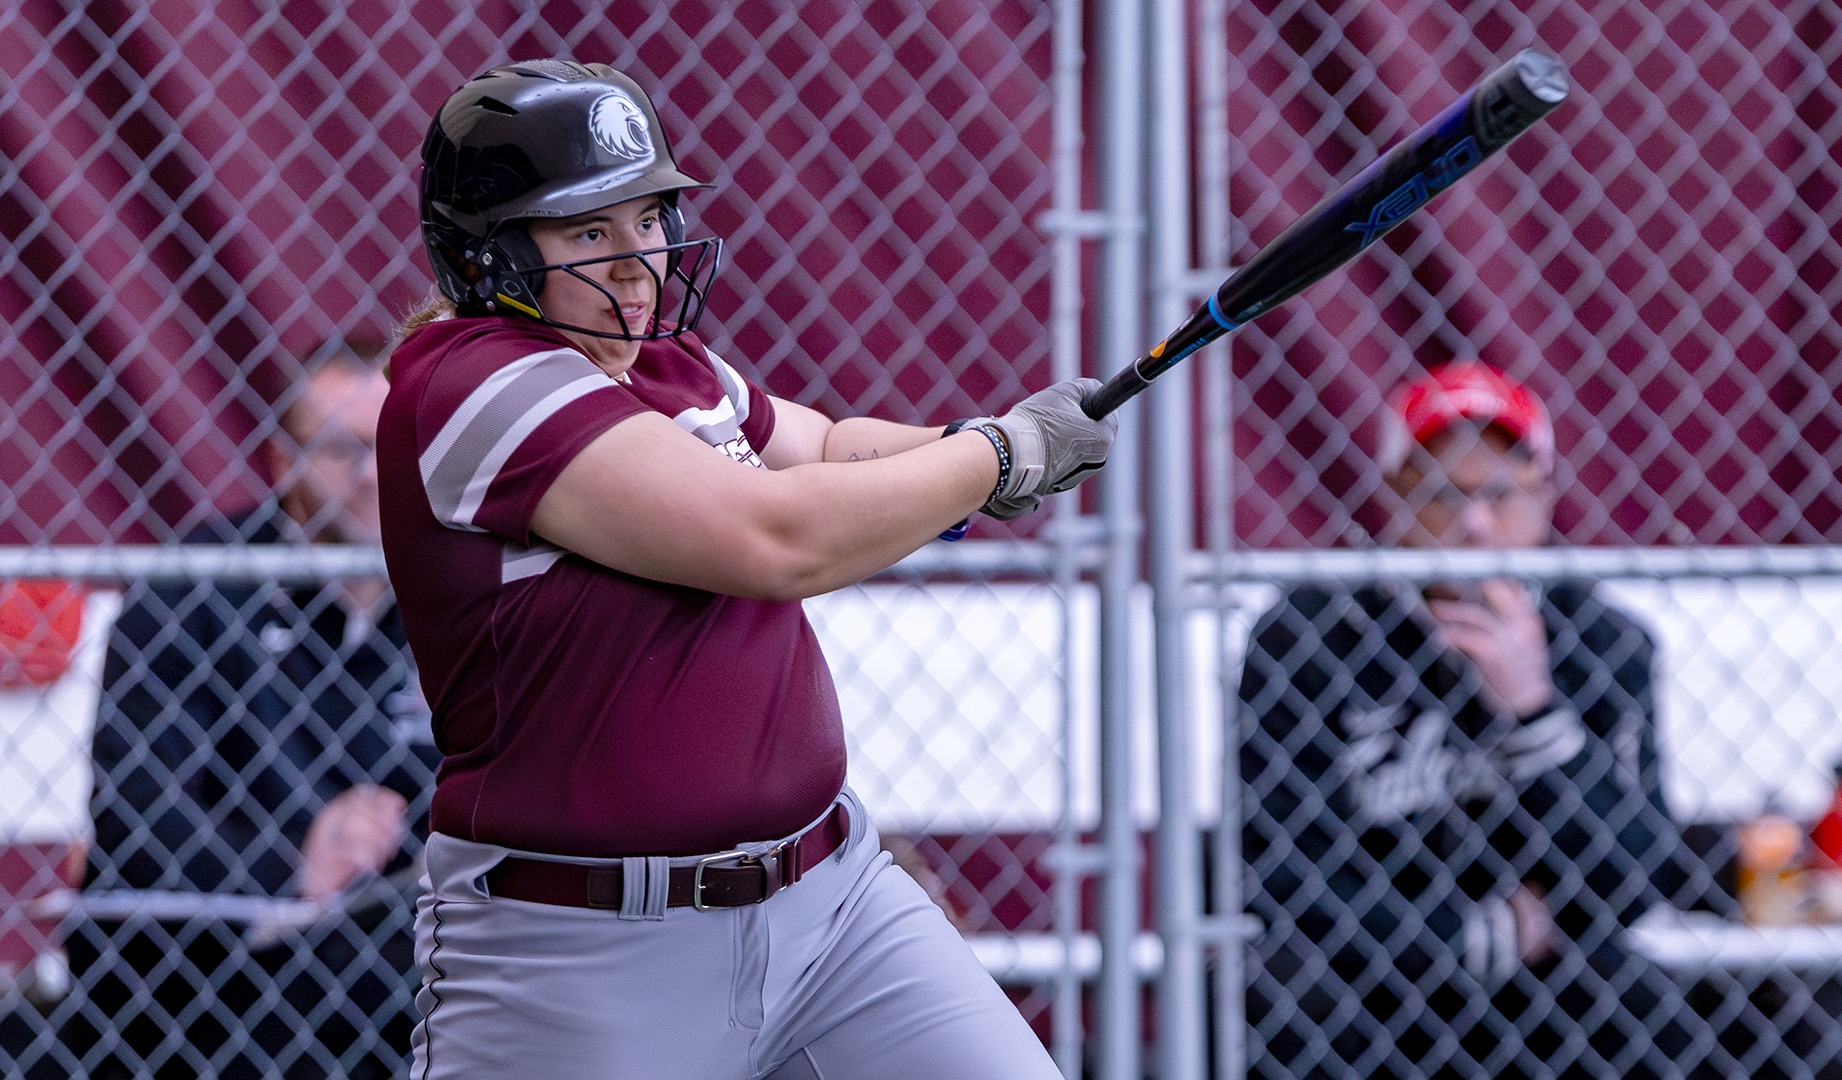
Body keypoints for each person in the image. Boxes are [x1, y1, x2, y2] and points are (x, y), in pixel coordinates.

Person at [380, 60, 1115, 1079]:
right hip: (585, 952)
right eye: (589, 232)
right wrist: (995, 459)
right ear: (491, 256)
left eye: (646, 218)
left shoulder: (663, 363)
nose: (637, 261)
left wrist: (970, 447)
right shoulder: (474, 383)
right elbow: (773, 539)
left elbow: (816, 452)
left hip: (836, 904)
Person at [1239, 361, 1732, 1080]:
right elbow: (1282, 869)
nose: (1474, 522)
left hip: (1548, 971)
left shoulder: (1599, 639)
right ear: (1394, 499)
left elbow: (1632, 878)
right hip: (1370, 968)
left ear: (1545, 496)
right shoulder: (1311, 634)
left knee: (1646, 1006)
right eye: (1443, 494)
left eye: (1499, 493)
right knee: (1286, 992)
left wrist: (1531, 709)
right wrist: (1466, 937)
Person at [68, 342, 439, 1079]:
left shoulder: (465, 593)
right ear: (283, 461)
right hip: (221, 961)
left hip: (410, 947)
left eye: (392, 446)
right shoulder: (195, 589)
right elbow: (139, 811)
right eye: (340, 449)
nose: (370, 476)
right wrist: (295, 861)